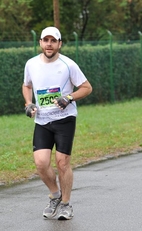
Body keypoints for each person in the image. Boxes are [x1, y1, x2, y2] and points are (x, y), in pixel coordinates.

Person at [22, 26, 92, 220]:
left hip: (64, 119)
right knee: (41, 163)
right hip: (42, 120)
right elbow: (26, 85)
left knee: (62, 163)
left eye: (53, 41)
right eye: (46, 40)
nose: (49, 44)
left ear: (59, 44)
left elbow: (86, 88)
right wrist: (28, 104)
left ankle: (66, 205)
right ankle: (55, 195)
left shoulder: (68, 64)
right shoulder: (31, 64)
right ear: (41, 43)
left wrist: (69, 97)